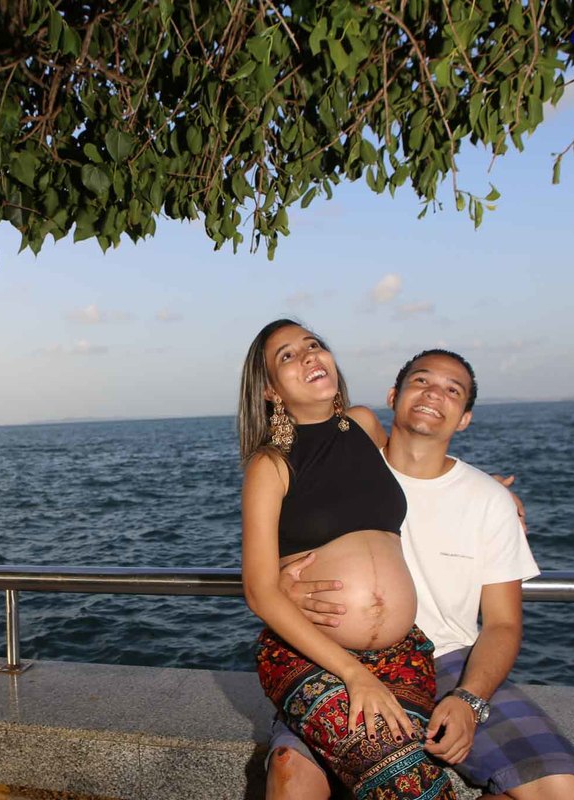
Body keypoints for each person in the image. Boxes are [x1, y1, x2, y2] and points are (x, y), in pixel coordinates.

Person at [267, 350, 574, 800]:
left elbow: (502, 623)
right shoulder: (336, 471)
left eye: (452, 390)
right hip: (344, 661)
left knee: (567, 792)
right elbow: (271, 542)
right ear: (393, 396)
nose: (434, 394)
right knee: (291, 777)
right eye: (421, 381)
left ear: (464, 419)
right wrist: (282, 580)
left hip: (452, 662)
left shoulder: (487, 501)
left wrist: (469, 699)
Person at [239, 319, 456, 800]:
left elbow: (423, 469)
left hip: (401, 656)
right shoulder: (270, 464)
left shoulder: (363, 423)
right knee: (409, 784)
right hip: (308, 654)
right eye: (288, 356)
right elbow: (258, 589)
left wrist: (493, 492)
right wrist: (355, 675)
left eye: (314, 345)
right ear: (272, 391)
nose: (310, 356)